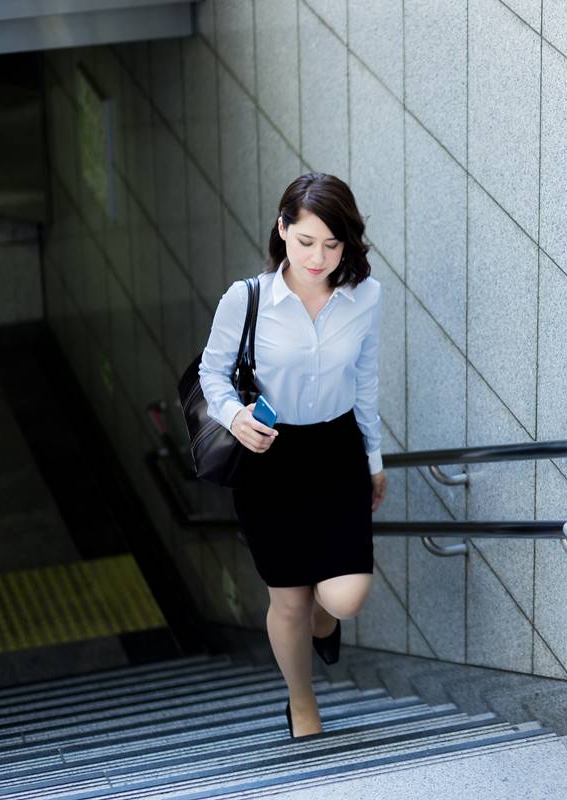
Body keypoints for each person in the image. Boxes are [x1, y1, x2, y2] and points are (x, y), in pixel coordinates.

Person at [198, 172, 387, 739]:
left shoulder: (364, 296)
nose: (319, 257)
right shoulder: (247, 298)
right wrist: (236, 418)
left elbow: (367, 380)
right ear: (283, 231)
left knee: (344, 596)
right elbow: (212, 374)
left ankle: (327, 619)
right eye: (306, 241)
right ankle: (301, 701)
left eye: (333, 245)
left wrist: (374, 459)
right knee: (288, 599)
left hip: (336, 451)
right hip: (270, 458)